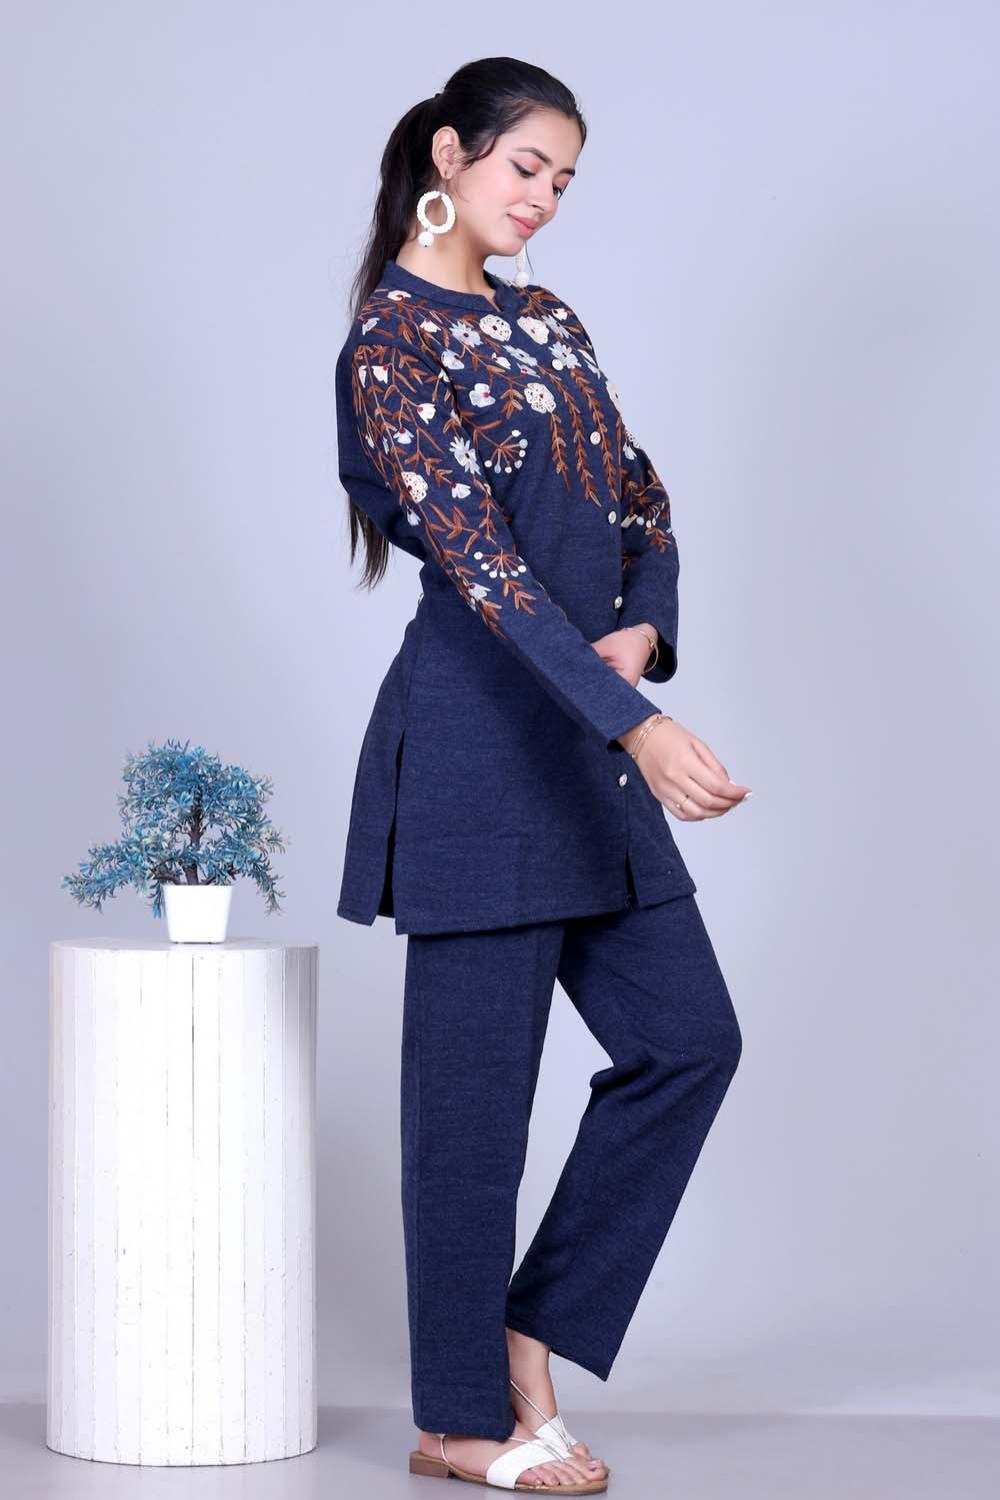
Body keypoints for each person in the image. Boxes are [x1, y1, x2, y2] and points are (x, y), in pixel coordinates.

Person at [334, 56, 751, 1495]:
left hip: (586, 754)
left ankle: (526, 1334)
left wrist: (649, 628)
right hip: (476, 761)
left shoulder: (549, 321)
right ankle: (461, 1421)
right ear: (452, 155)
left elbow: (643, 502)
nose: (546, 201)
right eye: (528, 169)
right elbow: (487, 575)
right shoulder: (391, 346)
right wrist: (639, 725)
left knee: (688, 1044)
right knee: (471, 1120)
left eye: (566, 181)